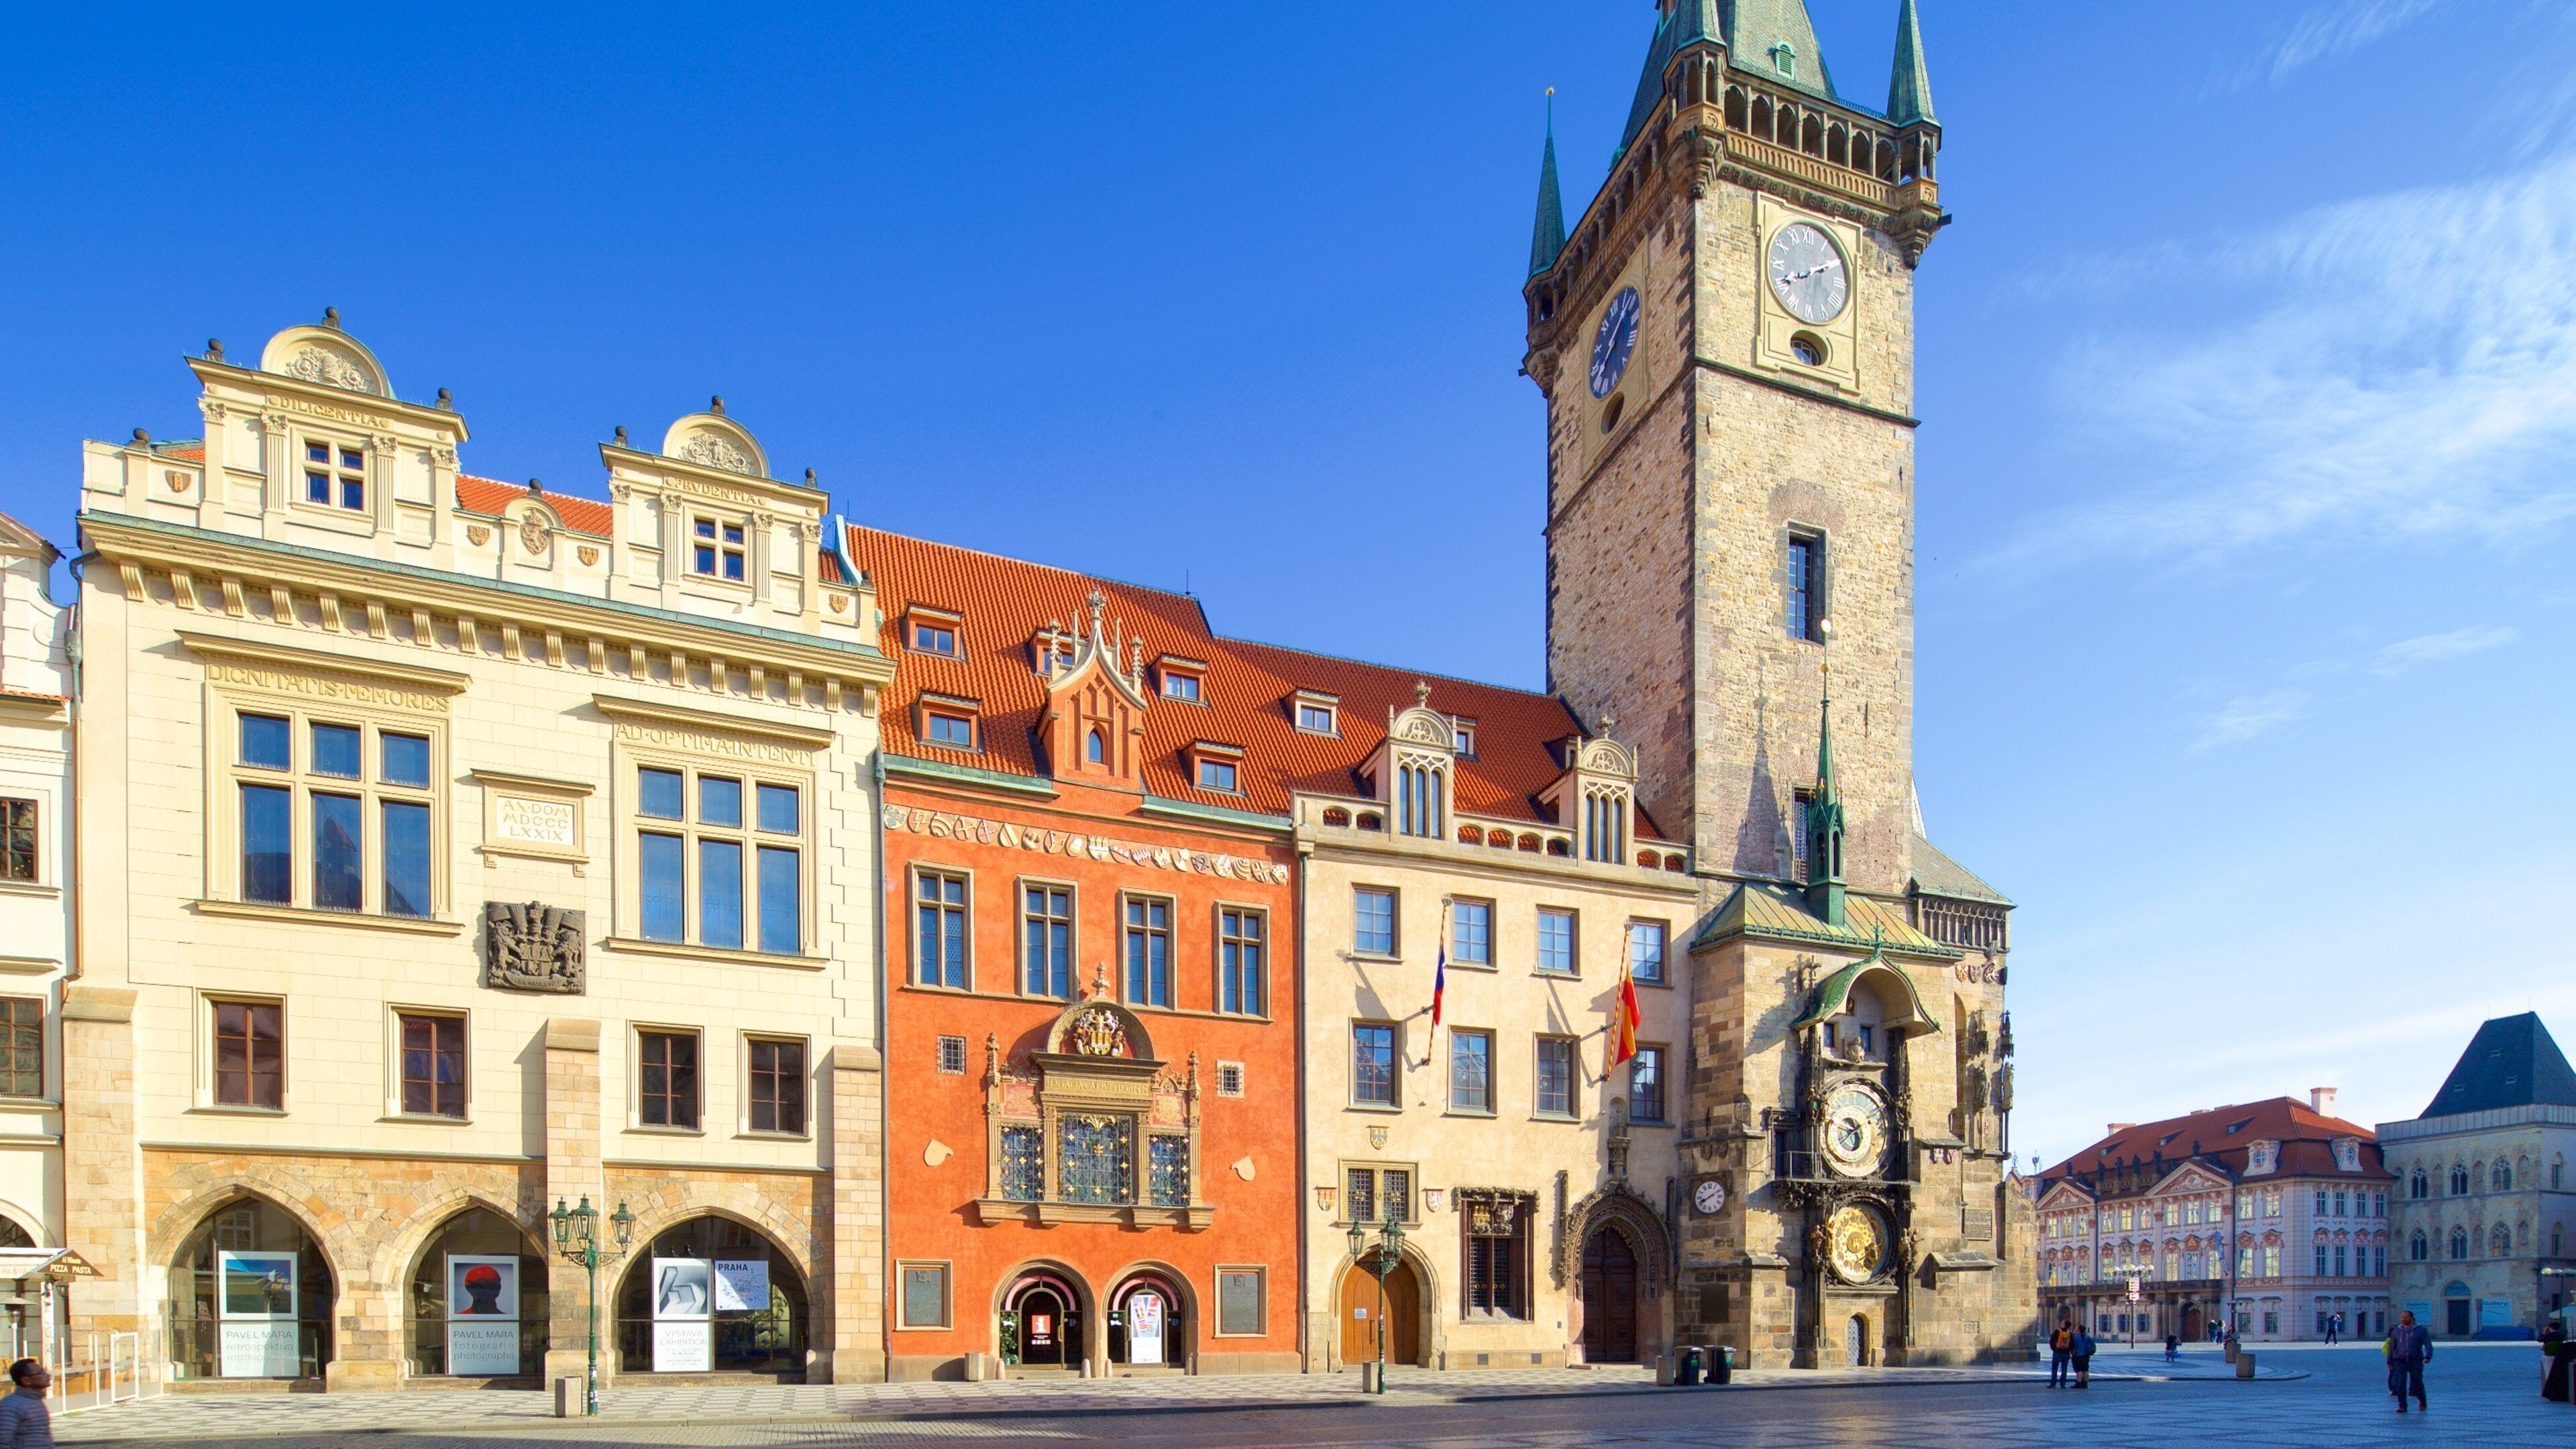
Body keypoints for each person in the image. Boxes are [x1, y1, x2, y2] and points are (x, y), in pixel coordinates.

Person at [2386, 1310, 2432, 1413]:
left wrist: (2428, 1356)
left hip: (2415, 1360)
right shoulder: (2396, 1331)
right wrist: (2389, 1361)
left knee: (2417, 1383)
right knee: (2400, 1383)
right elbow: (2392, 1347)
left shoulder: (2421, 1330)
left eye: (2406, 1317)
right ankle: (2402, 1406)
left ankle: (2422, 1401)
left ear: (2412, 1318)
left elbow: (2428, 1344)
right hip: (2400, 1359)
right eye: (2402, 1317)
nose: (2403, 1319)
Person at [0, 1358, 51, 1448]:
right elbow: (3, 1442)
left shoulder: (36, 1402)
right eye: (41, 1372)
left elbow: (44, 1439)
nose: (47, 1375)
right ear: (26, 1380)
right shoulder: (10, 1406)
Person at [2048, 1315, 2075, 1388]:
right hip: (2066, 1353)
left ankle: (2053, 1384)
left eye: (2062, 1322)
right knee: (2064, 1369)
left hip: (2058, 1353)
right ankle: (2063, 1384)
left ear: (2064, 1324)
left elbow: (2051, 1341)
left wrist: (2055, 1350)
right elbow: (2072, 1344)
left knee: (2054, 1368)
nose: (2061, 1323)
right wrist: (2069, 1351)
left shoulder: (2057, 1331)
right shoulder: (2070, 1333)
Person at [2073, 1322, 2096, 1389]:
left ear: (2078, 1330)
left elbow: (2073, 1346)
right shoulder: (2087, 1337)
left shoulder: (2075, 1337)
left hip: (2078, 1355)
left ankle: (2079, 1383)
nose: (2075, 1329)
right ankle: (2085, 1384)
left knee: (2079, 1370)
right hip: (2086, 1355)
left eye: (2076, 1328)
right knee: (2086, 1370)